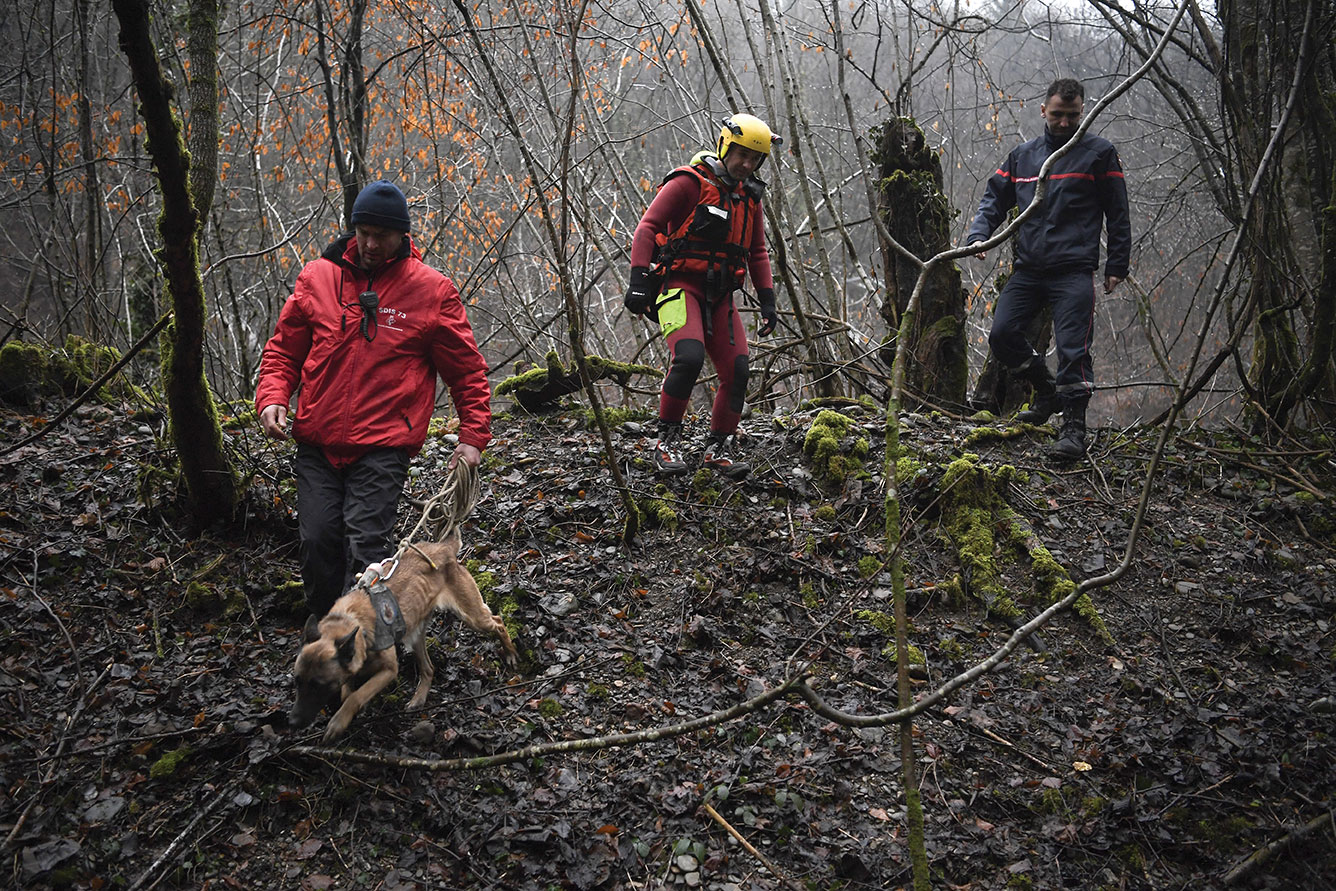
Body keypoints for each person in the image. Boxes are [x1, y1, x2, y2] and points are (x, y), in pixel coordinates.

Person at [255, 180, 491, 631]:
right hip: (318, 443)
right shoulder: (318, 278)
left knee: (368, 550)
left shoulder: (431, 291)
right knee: (318, 541)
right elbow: (284, 352)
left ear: (403, 236)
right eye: (363, 232)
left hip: (383, 446)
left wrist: (473, 437)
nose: (370, 244)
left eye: (381, 236)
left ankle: (376, 643)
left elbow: (466, 372)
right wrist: (272, 397)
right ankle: (327, 628)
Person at [967, 78, 1131, 459]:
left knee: (1074, 349)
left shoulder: (1099, 154)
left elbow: (1118, 213)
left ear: (1083, 111)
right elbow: (994, 198)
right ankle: (1046, 390)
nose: (1064, 122)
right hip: (1028, 269)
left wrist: (1117, 264)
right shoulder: (1023, 157)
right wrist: (979, 236)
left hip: (1074, 270)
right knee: (1002, 333)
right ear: (1043, 111)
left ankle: (1073, 429)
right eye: (1057, 115)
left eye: (1072, 115)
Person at [623, 113, 782, 479]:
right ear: (725, 146)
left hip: (721, 295)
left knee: (738, 370)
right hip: (679, 287)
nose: (747, 165)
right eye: (742, 154)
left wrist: (768, 300)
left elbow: (757, 252)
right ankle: (666, 443)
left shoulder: (749, 197)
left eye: (755, 159)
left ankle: (718, 448)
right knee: (689, 358)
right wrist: (638, 280)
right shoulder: (688, 183)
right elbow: (647, 227)